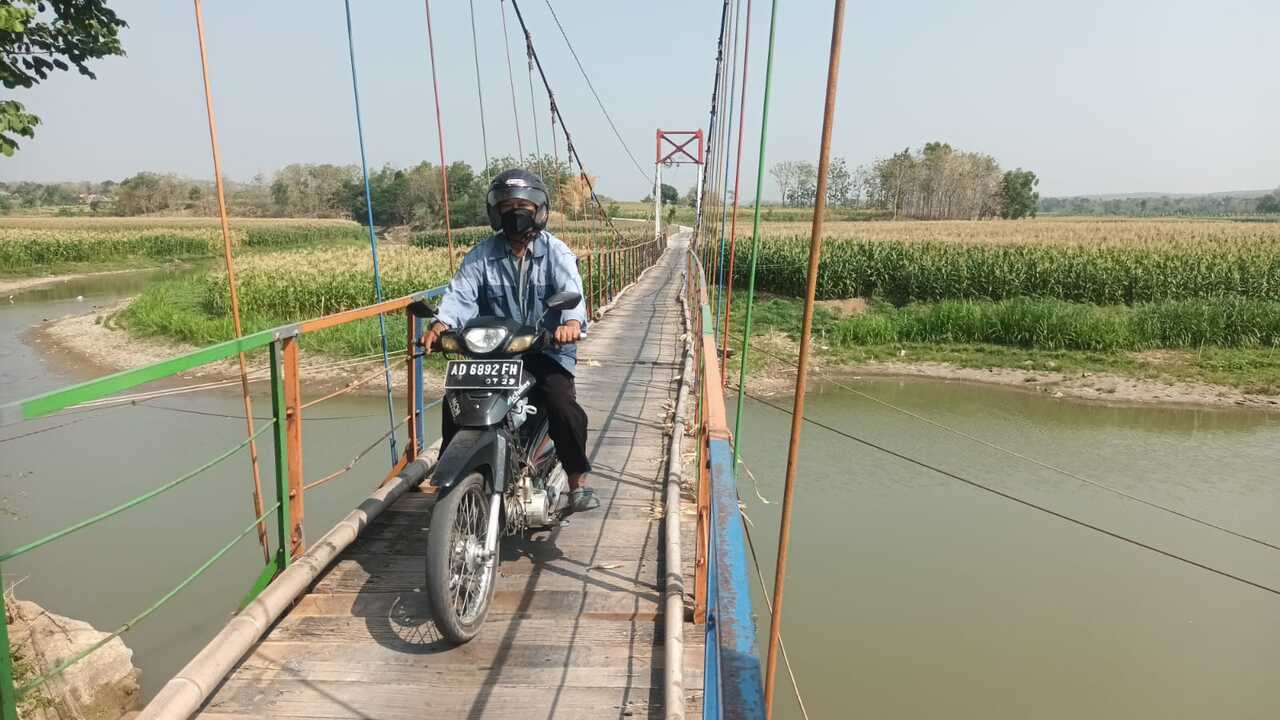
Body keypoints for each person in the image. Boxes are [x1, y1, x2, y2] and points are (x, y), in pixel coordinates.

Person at [422, 168, 599, 514]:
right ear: (495, 212)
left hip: (545, 350)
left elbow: (572, 294)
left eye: (523, 205)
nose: (514, 213)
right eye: (506, 206)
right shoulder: (481, 255)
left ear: (539, 209)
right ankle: (454, 472)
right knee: (455, 401)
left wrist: (571, 323)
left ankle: (577, 482)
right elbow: (461, 293)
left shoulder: (556, 253)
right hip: (495, 355)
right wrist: (441, 323)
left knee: (562, 403)